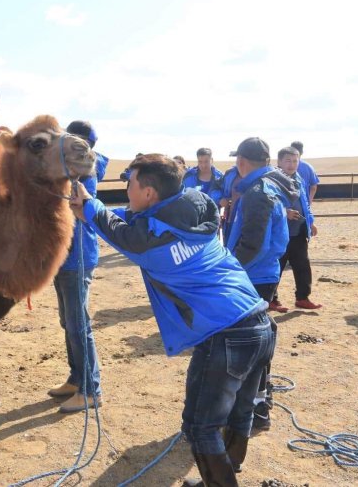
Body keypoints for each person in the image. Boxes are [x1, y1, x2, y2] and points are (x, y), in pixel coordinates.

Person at [70, 154, 274, 485]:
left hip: (226, 335)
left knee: (199, 427)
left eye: (130, 183)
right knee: (240, 412)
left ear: (149, 192)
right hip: (258, 323)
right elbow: (135, 223)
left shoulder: (152, 242)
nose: (127, 189)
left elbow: (127, 237)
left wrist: (91, 208)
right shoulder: (192, 208)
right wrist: (93, 212)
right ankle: (224, 474)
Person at [226, 137, 297, 433]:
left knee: (250, 343)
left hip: (253, 276)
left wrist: (229, 271)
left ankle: (255, 407)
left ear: (242, 162)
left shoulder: (257, 192)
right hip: (263, 274)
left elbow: (253, 243)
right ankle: (258, 401)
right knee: (260, 338)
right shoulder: (271, 188)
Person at [49, 120, 109, 413]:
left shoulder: (85, 171)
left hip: (78, 257)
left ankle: (90, 390)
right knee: (68, 322)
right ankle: (76, 378)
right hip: (63, 257)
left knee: (78, 324)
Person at [272, 146, 322, 310]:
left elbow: (305, 203)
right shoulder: (273, 180)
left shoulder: (299, 178)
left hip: (299, 231)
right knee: (276, 267)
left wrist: (310, 222)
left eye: (295, 161)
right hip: (280, 232)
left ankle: (303, 297)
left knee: (302, 265)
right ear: (279, 162)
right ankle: (271, 299)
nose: (292, 164)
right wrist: (284, 212)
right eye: (288, 160)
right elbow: (269, 203)